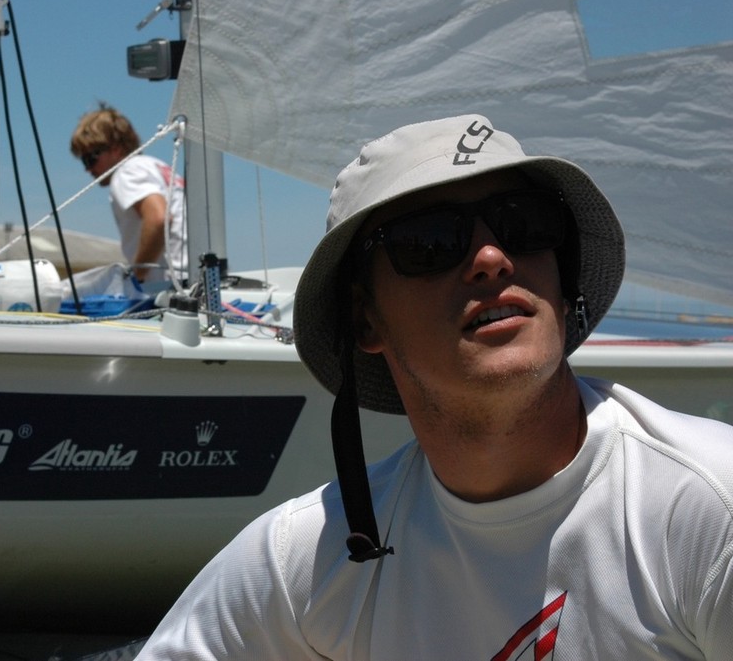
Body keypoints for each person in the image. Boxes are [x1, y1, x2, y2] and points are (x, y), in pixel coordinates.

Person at [134, 115, 733, 659]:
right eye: (429, 242)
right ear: (364, 319)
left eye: (524, 225)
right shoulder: (309, 557)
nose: (493, 257)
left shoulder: (711, 513)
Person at [70, 105, 187, 285]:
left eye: (90, 158)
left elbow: (158, 218)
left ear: (116, 149)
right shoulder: (157, 167)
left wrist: (137, 276)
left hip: (171, 287)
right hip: (194, 280)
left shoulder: (126, 172)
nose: (87, 169)